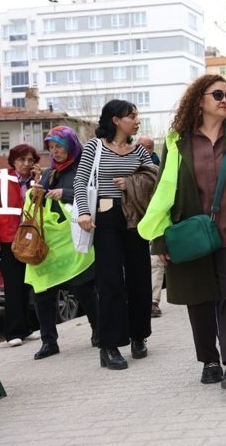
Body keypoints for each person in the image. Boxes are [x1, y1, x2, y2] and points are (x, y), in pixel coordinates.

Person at [138, 75, 226, 394]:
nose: (224, 99)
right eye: (217, 94)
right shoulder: (178, 139)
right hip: (191, 233)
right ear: (199, 100)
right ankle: (209, 360)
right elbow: (163, 192)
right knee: (199, 298)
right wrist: (160, 240)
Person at [74, 100, 154, 370]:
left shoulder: (139, 150)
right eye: (132, 116)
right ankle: (109, 345)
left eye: (136, 115)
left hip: (135, 218)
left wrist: (131, 182)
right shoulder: (94, 148)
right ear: (116, 120)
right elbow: (81, 181)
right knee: (109, 281)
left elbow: (156, 175)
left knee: (139, 277)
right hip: (105, 219)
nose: (137, 120)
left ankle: (139, 335)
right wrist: (84, 212)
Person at [26, 126, 99, 359]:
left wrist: (64, 193)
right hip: (52, 244)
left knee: (84, 290)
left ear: (70, 146)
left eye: (59, 146)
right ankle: (49, 341)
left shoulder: (83, 168)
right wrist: (37, 192)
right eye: (51, 147)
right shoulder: (49, 174)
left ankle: (99, 331)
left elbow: (91, 194)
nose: (55, 151)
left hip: (74, 241)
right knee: (43, 293)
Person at [0, 144, 41, 347]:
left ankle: (25, 329)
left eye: (30, 160)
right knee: (13, 286)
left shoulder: (37, 181)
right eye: (22, 160)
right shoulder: (0, 177)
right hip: (7, 240)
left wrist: (40, 183)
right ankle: (13, 332)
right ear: (13, 161)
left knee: (26, 284)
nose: (26, 164)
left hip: (29, 240)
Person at [137, 135, 165, 317]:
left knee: (156, 261)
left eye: (148, 147)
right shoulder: (129, 165)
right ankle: (141, 299)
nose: (144, 151)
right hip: (136, 219)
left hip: (153, 218)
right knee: (140, 263)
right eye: (141, 147)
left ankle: (153, 301)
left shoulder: (158, 168)